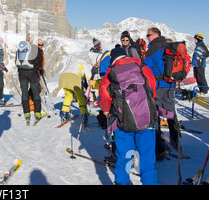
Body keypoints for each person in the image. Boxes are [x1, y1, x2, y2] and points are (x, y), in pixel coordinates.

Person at [99, 46, 159, 185]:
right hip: (146, 120)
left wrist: (107, 111)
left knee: (124, 156)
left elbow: (104, 95)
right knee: (147, 158)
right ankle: (150, 182)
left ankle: (121, 181)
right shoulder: (142, 67)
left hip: (123, 121)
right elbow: (153, 91)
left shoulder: (111, 72)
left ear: (112, 59)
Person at [143, 27, 178, 146]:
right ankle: (175, 139)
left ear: (155, 35)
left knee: (155, 111)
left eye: (148, 35)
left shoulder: (153, 47)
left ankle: (157, 140)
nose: (147, 38)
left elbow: (146, 67)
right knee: (171, 111)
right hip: (170, 83)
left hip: (158, 85)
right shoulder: (169, 45)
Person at [16, 33, 43, 124]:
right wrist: (39, 68)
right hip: (32, 72)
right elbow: (40, 59)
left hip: (21, 72)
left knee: (24, 92)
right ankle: (37, 113)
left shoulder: (21, 47)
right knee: (35, 92)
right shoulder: (34, 47)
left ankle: (27, 113)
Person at [58, 58, 92, 124]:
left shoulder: (72, 63)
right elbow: (89, 75)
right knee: (80, 96)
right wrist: (90, 82)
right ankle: (84, 114)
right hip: (74, 77)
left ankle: (65, 114)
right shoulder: (84, 64)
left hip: (63, 77)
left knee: (68, 96)